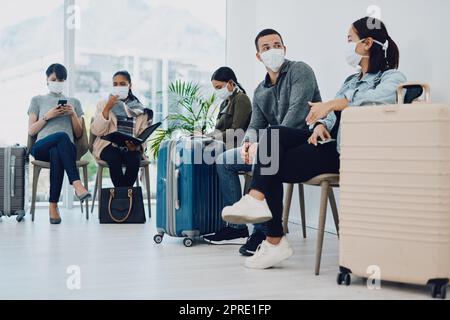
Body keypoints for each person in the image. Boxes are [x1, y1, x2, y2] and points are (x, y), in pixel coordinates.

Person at [222, 17, 407, 269]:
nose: (347, 44)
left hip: (349, 152)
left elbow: (378, 101)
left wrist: (331, 105)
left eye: (349, 39)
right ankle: (264, 220)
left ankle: (272, 236)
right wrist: (322, 124)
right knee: (273, 143)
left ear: (367, 43)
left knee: (270, 157)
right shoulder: (351, 81)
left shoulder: (392, 77)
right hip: (324, 142)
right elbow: (328, 115)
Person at [208, 29, 322, 254]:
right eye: (266, 48)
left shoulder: (300, 71)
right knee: (224, 160)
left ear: (285, 48)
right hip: (271, 144)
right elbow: (254, 125)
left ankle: (262, 233)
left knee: (266, 158)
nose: (273, 51)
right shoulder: (260, 91)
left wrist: (264, 145)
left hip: (302, 141)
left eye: (277, 45)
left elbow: (296, 115)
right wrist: (249, 143)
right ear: (259, 56)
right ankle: (237, 227)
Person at [28, 63, 91, 225]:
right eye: (54, 79)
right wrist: (47, 116)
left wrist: (72, 115)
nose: (57, 82)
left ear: (65, 81)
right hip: (42, 146)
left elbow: (78, 134)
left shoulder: (74, 102)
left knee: (58, 150)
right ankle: (77, 184)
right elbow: (31, 131)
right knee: (62, 137)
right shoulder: (37, 100)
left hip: (66, 150)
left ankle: (53, 206)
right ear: (47, 80)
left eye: (61, 79)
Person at [91, 71, 153, 188]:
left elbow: (143, 136)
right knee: (114, 156)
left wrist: (137, 146)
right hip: (108, 146)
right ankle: (126, 200)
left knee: (134, 158)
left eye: (122, 83)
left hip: (131, 147)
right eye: (115, 84)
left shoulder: (141, 110)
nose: (118, 87)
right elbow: (96, 131)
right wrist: (107, 109)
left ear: (130, 85)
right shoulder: (103, 104)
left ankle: (121, 200)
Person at [207, 67, 252, 150]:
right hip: (221, 146)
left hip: (233, 148)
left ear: (230, 83)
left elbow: (236, 131)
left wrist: (210, 137)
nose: (217, 91)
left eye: (219, 87)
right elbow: (218, 131)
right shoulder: (224, 103)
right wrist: (204, 136)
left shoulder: (241, 99)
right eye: (215, 88)